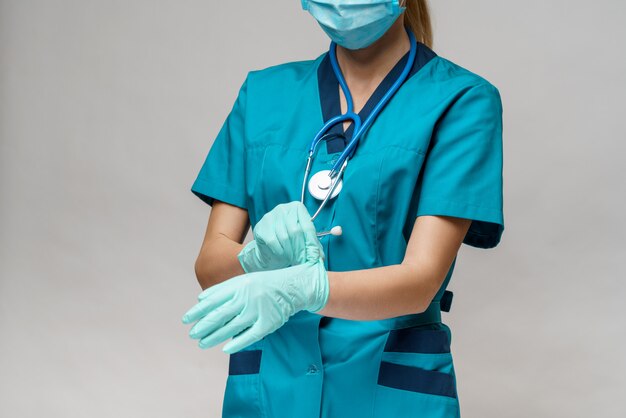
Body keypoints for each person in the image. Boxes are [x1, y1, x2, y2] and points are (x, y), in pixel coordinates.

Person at [182, 1, 504, 417]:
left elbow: (421, 279)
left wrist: (305, 289)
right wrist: (255, 258)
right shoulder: (263, 95)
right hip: (271, 392)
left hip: (385, 395)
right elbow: (210, 263)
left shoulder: (461, 100)